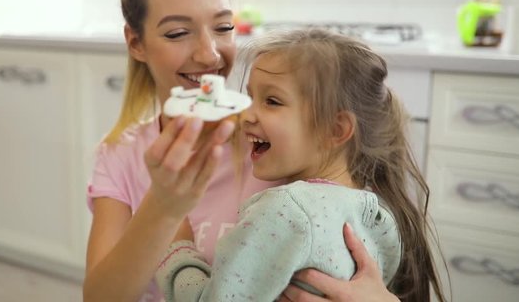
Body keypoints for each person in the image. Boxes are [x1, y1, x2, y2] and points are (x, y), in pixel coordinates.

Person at [82, 0, 403, 302]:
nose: (209, 54)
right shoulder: (120, 155)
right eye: (177, 33)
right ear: (136, 43)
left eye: (223, 27)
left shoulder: (278, 144)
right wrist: (163, 206)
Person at [154, 28, 447, 302]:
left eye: (272, 101)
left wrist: (177, 249)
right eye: (250, 96)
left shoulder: (284, 212)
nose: (246, 115)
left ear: (336, 129)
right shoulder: (378, 212)